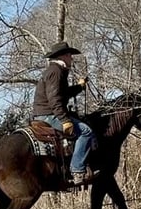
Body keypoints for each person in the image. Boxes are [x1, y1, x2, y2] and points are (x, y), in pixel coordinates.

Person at [32, 41, 99, 185]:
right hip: (49, 115)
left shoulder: (55, 71)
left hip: (45, 113)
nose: (71, 58)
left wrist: (80, 87)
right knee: (86, 131)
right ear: (62, 56)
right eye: (69, 55)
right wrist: (64, 120)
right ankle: (77, 170)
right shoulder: (56, 72)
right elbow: (54, 100)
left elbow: (63, 94)